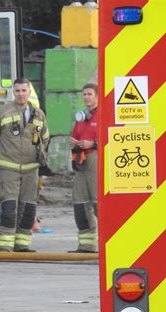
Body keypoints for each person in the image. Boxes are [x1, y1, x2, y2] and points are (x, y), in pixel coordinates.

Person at [0, 77, 49, 252]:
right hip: (9, 167)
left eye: (24, 91)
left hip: (31, 168)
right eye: (17, 91)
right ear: (13, 92)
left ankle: (22, 245)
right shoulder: (2, 112)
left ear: (29, 92)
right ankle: (4, 246)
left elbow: (45, 137)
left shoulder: (38, 114)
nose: (21, 94)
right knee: (9, 206)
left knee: (28, 207)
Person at [68, 83, 98, 253]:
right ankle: (86, 245)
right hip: (81, 160)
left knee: (98, 203)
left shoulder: (103, 115)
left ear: (97, 96)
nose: (86, 97)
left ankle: (108, 243)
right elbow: (75, 134)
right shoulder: (81, 117)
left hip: (96, 159)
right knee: (80, 202)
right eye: (84, 94)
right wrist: (73, 142)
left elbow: (111, 139)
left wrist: (92, 143)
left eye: (89, 94)